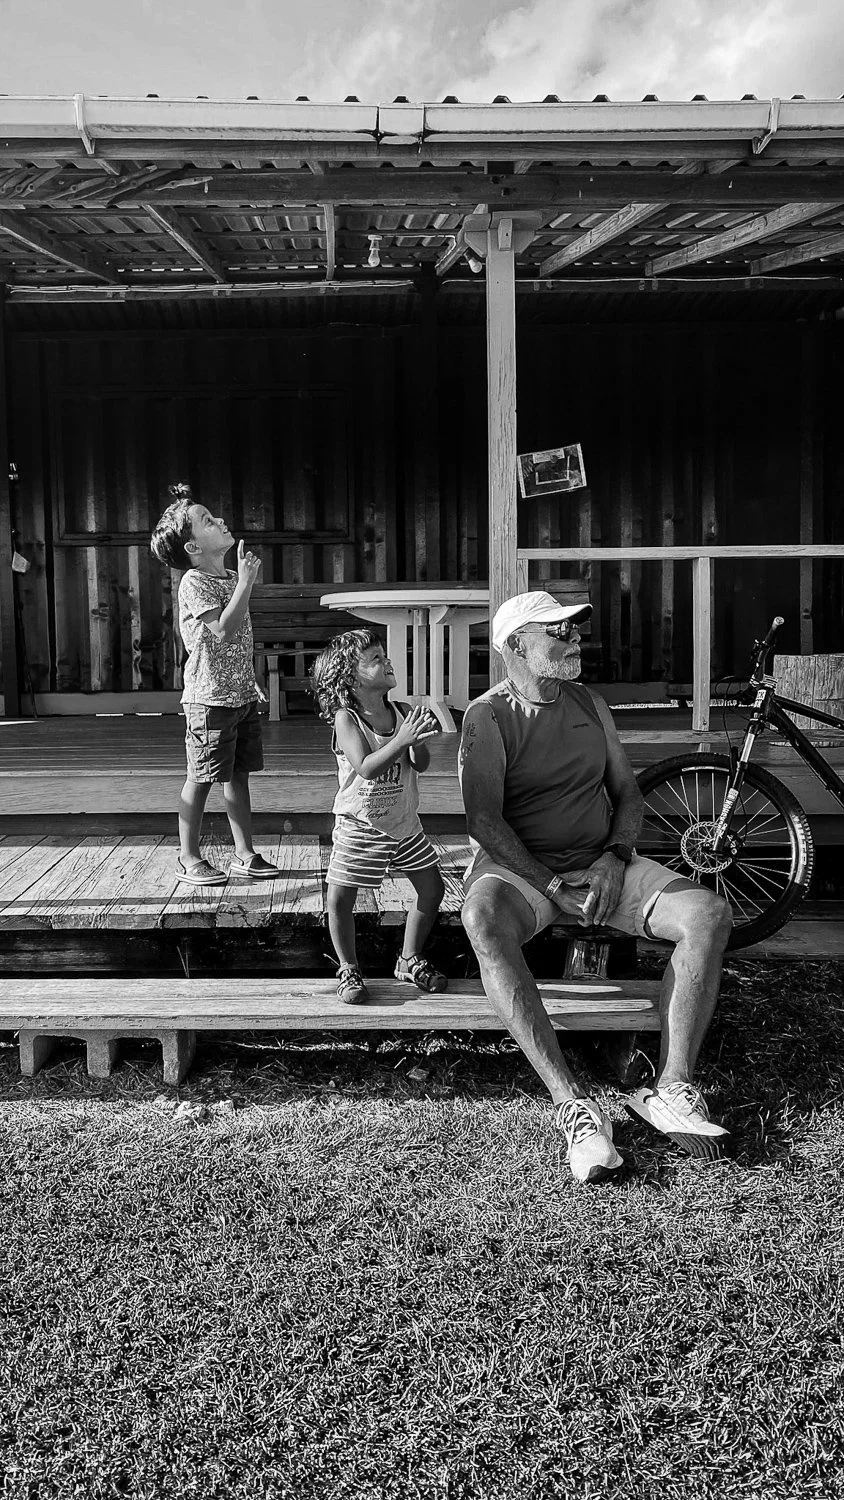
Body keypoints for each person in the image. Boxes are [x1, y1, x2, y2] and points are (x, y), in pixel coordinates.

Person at [459, 589, 733, 1184]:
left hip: (602, 861)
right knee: (481, 919)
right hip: (524, 870)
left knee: (708, 913)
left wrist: (613, 858)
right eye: (558, 633)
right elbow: (483, 821)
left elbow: (628, 793)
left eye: (574, 630)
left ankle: (674, 1086)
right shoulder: (487, 715)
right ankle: (572, 1105)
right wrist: (552, 883)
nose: (575, 639)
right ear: (516, 646)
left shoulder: (590, 703)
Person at [150, 483, 279, 885]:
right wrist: (246, 583)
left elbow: (239, 642)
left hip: (238, 696)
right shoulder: (195, 582)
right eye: (207, 520)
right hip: (209, 701)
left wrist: (251, 679)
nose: (220, 520)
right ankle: (187, 857)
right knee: (202, 777)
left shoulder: (227, 576)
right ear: (193, 548)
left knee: (239, 776)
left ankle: (244, 854)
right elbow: (222, 631)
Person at [311, 628, 448, 1005]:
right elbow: (366, 767)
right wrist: (402, 739)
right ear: (350, 678)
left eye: (385, 656)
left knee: (432, 890)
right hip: (362, 826)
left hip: (404, 825)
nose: (387, 662)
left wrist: (418, 739)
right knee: (340, 899)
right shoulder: (347, 719)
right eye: (375, 659)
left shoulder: (400, 712)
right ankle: (349, 967)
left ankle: (409, 958)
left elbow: (419, 763)